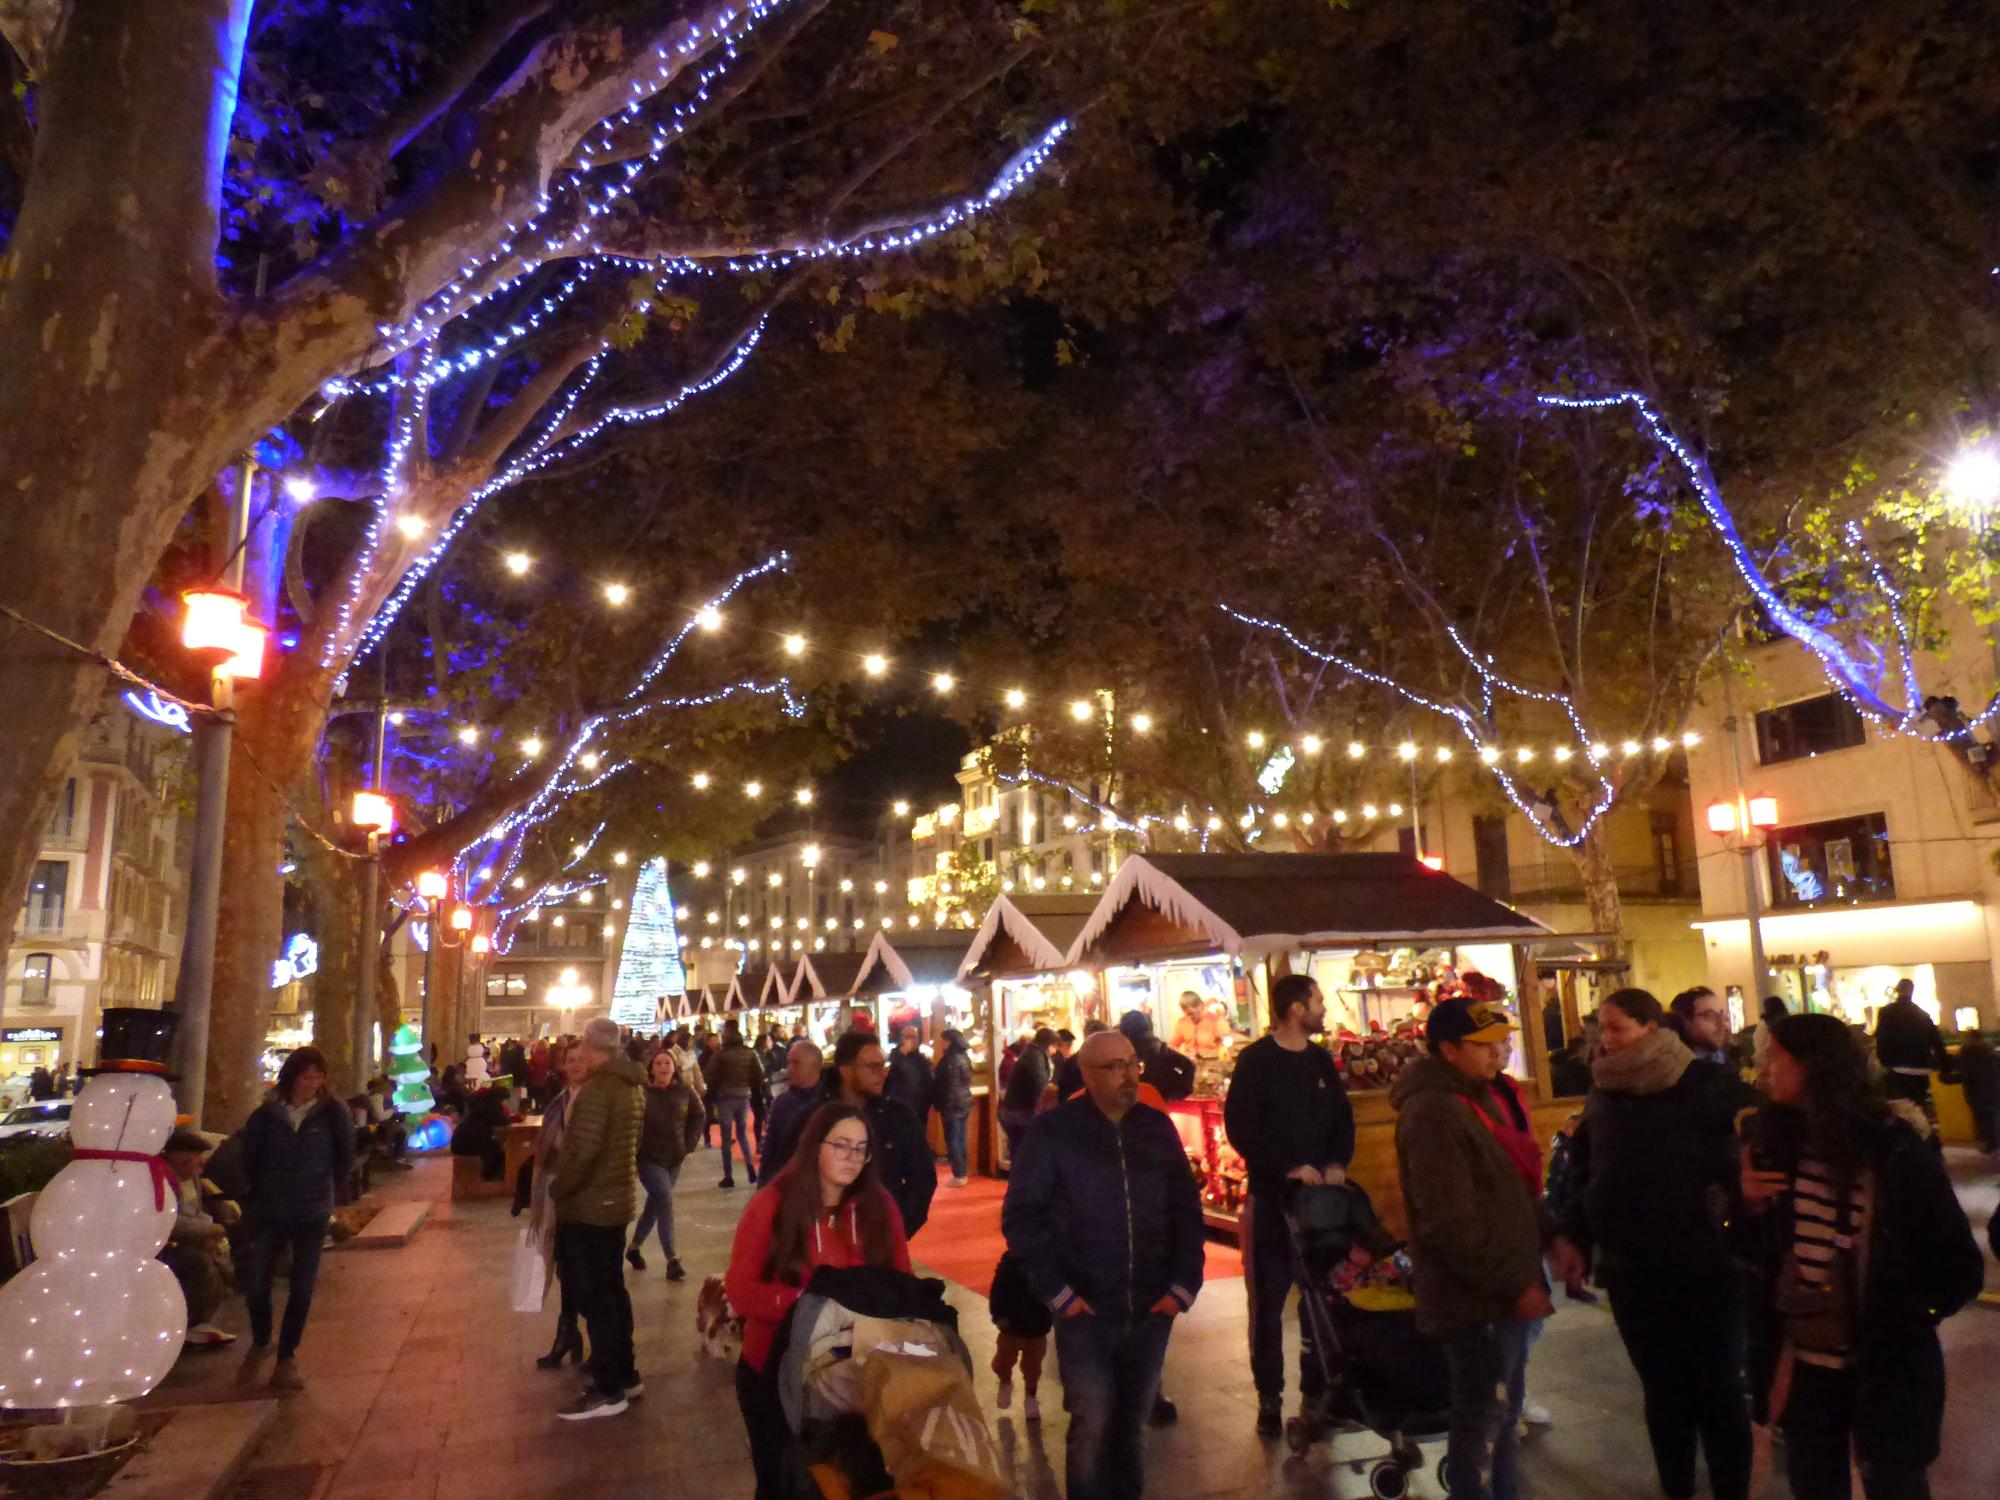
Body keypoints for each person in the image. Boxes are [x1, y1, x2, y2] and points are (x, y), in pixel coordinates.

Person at [1738, 1013, 1983, 1500]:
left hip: (1886, 1367)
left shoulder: (1893, 1151)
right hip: (1804, 1366)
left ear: (1814, 1065)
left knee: (1895, 1482)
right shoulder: (1770, 1146)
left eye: (1774, 1058)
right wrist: (1742, 1208)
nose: (1763, 1071)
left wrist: (1905, 1318)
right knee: (1815, 1481)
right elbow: (1753, 1261)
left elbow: (1958, 1266)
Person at [1562, 988, 1752, 1500]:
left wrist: (1730, 1203)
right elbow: (1585, 1170)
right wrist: (1576, 1237)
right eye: (1601, 1029)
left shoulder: (1706, 1084)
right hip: (1632, 1268)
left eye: (1617, 1027)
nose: (1606, 1040)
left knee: (1716, 1387)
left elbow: (1743, 1158)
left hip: (1706, 1264)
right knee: (1663, 1389)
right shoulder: (1604, 1091)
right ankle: (1678, 1489)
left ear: (1651, 1028)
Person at [1391, 998, 1583, 1500]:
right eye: (1485, 1044)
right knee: (1481, 1418)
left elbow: (1511, 1188)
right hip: (1472, 1301)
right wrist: (1511, 1287)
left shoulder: (1481, 1097)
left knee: (1499, 1414)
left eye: (1501, 1040)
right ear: (1448, 1049)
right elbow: (1447, 1223)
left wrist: (1551, 1234)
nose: (1499, 1052)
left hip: (1500, 1288)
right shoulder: (1433, 1112)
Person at [1002, 1030, 1204, 1500]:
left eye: (1132, 1063)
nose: (1129, 1075)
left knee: (1132, 1425)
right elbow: (1022, 1217)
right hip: (1086, 1307)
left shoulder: (1155, 1128)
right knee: (1092, 1422)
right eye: (1114, 1067)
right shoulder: (1055, 1133)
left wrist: (1183, 1286)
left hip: (1153, 1306)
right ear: (1087, 1076)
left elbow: (1186, 1210)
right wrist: (1059, 1293)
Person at [725, 1103, 912, 1500]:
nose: (852, 1157)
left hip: (858, 1374)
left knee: (854, 1484)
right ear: (814, 1146)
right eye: (842, 1145)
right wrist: (809, 1306)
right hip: (776, 1372)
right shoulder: (773, 1205)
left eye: (861, 1149)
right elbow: (740, 1291)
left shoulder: (879, 1208)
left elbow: (902, 1283)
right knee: (784, 1484)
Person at [1223, 973, 1357, 1435]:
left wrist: (1337, 1161)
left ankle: (1317, 1388)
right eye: (1317, 1001)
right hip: (1274, 1203)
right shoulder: (1256, 1061)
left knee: (1320, 1298)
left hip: (1321, 1205)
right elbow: (1240, 1127)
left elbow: (1342, 1118)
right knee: (1268, 1300)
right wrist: (1285, 1167)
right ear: (1297, 1009)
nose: (1323, 1008)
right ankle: (1269, 1394)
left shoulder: (1321, 1060)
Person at [236, 1046, 356, 1393]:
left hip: (312, 1210)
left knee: (302, 1288)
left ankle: (287, 1356)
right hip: (269, 1209)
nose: (312, 1084)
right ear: (292, 1077)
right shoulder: (267, 1115)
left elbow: (344, 1156)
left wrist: (326, 1189)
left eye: (318, 1077)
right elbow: (249, 1157)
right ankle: (262, 1339)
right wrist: (256, 1193)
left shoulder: (333, 1113)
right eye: (307, 1077)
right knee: (256, 1283)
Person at [547, 1017, 645, 1420]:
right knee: (612, 1291)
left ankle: (608, 1387)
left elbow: (581, 1154)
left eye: (583, 1045)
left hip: (590, 1207)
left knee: (594, 1296)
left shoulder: (597, 1092)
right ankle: (625, 1373)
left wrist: (559, 1189)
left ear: (593, 1047)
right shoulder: (630, 1087)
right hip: (615, 1202)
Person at [822, 1031, 936, 1237]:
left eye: (883, 1066)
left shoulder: (897, 1116)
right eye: (873, 1067)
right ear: (846, 1071)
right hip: (826, 1240)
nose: (883, 1073)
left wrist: (898, 1227)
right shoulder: (817, 1117)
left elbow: (923, 1177)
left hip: (883, 1239)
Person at [527, 1043, 589, 1369]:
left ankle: (574, 1334)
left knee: (577, 1267)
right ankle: (567, 1332)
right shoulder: (562, 1097)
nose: (574, 1065)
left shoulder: (591, 1099)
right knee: (563, 1262)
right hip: (555, 1190)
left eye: (581, 1060)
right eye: (570, 1060)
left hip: (580, 1194)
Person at [628, 1047, 703, 1281]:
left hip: (674, 1158)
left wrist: (689, 1143)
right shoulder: (641, 1093)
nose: (663, 1068)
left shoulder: (684, 1091)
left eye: (667, 1064)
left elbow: (699, 1115)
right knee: (665, 1200)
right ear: (651, 1068)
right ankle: (672, 1259)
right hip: (649, 1158)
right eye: (658, 1064)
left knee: (655, 1204)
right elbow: (631, 1124)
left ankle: (634, 1248)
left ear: (674, 1067)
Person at [161, 1127, 235, 1344]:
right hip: (172, 1244)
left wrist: (212, 1228)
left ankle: (203, 1318)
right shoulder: (165, 1180)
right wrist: (210, 1230)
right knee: (198, 1263)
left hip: (195, 1236)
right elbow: (171, 1221)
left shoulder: (192, 1179)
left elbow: (196, 1212)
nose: (200, 1163)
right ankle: (191, 1322)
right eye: (196, 1157)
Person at [1872, 977, 1952, 1118]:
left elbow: (1881, 1039)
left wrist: (1884, 1062)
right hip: (1921, 1068)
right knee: (1918, 1107)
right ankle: (1920, 1133)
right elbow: (1937, 1043)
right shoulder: (1923, 1015)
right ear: (1912, 992)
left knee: (1900, 1110)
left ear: (1897, 991)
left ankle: (1907, 1135)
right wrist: (1946, 1068)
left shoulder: (1886, 1012)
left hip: (1896, 1068)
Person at [989, 1248, 1052, 1420]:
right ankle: (1005, 1382)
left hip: (1036, 1328)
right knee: (1002, 1362)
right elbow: (997, 1291)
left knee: (1033, 1368)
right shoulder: (1009, 1266)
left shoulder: (1048, 1264)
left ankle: (1031, 1396)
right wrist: (998, 1315)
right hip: (1011, 1326)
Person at [705, 1020, 765, 1188]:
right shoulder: (750, 1053)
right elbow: (759, 1074)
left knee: (725, 1138)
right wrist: (748, 1084)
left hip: (725, 1097)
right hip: (744, 1095)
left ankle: (728, 1175)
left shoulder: (720, 1054)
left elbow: (709, 1074)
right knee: (742, 1134)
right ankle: (750, 1169)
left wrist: (717, 1086)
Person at [760, 1040, 825, 1171]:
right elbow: (771, 1148)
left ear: (814, 1066)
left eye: (796, 1063)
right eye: (789, 1062)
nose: (790, 1068)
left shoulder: (830, 1101)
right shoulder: (782, 1102)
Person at [1000, 1027, 1056, 1156]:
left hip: (1012, 1111)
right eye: (1054, 1047)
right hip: (1022, 1113)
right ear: (1048, 1045)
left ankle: (1018, 1175)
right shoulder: (1036, 1058)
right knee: (1028, 1153)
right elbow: (1040, 1087)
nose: (1054, 1052)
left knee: (1019, 1151)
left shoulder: (1030, 1054)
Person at [1117, 1011, 1195, 1101]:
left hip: (1140, 1103)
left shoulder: (1125, 1051)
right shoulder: (1161, 1049)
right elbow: (1189, 1066)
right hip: (1157, 1102)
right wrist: (1175, 1093)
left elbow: (1189, 1066)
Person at [935, 1028, 975, 1187]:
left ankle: (959, 1173)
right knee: (960, 1138)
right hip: (963, 1102)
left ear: (949, 1041)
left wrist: (945, 1106)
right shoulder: (963, 1057)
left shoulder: (950, 1060)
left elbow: (950, 1086)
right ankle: (962, 1171)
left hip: (953, 1104)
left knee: (953, 1139)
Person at [451, 1082, 514, 1180]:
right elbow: (501, 1121)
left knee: (497, 1147)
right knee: (499, 1152)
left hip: (461, 1142)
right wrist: (506, 1112)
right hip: (468, 1144)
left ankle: (490, 1178)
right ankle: (490, 1180)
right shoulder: (491, 1105)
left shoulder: (483, 1102)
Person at [1667, 986, 1737, 1068]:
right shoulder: (1674, 1068)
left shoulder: (1731, 1058)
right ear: (1685, 1021)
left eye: (1724, 1016)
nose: (1723, 1024)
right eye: (1709, 1015)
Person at [1955, 1033, 2000, 1153]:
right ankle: (1995, 1142)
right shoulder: (1992, 1052)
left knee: (1980, 1118)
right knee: (1994, 1115)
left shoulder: (1966, 1052)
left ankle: (1988, 1143)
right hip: (1994, 1088)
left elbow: (1965, 1074)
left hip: (1975, 1090)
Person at [886, 1023, 935, 1126]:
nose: (911, 1040)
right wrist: (902, 1053)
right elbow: (889, 1074)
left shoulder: (922, 1059)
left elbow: (928, 1082)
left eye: (914, 1037)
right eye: (907, 1037)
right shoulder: (895, 1055)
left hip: (920, 1108)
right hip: (901, 1108)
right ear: (901, 1039)